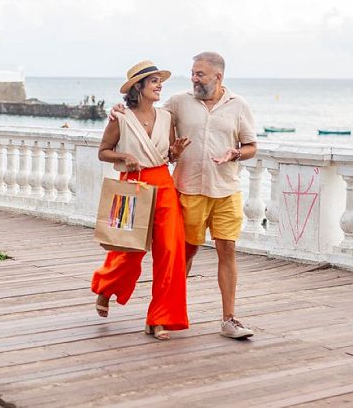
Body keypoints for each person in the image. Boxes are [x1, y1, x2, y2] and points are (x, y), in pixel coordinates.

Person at [112, 52, 258, 339]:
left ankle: (229, 319)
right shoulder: (178, 103)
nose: (194, 78)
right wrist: (120, 110)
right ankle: (163, 315)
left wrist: (236, 153)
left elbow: (251, 145)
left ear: (218, 76)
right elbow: (144, 114)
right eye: (192, 73)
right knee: (183, 255)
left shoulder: (239, 105)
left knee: (227, 250)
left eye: (200, 74)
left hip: (226, 190)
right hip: (188, 190)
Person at [92, 60, 192, 340]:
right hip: (133, 187)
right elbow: (103, 151)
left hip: (164, 185)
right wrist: (123, 157)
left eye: (161, 81)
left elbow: (169, 156)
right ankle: (104, 287)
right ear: (139, 87)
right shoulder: (120, 118)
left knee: (171, 253)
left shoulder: (166, 118)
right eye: (154, 81)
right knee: (128, 252)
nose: (160, 86)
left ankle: (159, 318)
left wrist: (176, 151)